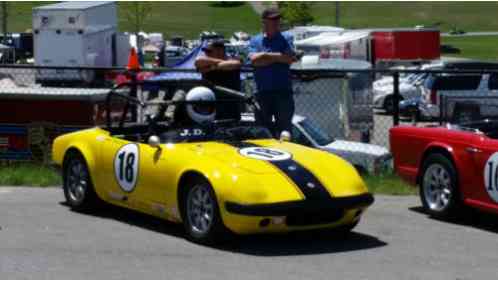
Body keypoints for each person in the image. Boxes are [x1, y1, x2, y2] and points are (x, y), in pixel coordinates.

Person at [248, 7, 297, 137]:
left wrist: (265, 55)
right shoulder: (255, 40)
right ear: (264, 22)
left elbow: (289, 58)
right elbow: (254, 60)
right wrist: (278, 57)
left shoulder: (286, 38)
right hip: (262, 93)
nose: (276, 22)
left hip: (283, 92)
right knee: (262, 132)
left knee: (285, 131)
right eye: (272, 19)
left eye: (278, 19)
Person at [195, 40, 243, 121]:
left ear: (220, 51)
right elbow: (198, 61)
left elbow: (235, 64)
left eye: (209, 51)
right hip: (211, 103)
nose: (206, 54)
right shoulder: (206, 61)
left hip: (230, 103)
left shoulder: (235, 59)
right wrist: (222, 63)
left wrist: (212, 67)